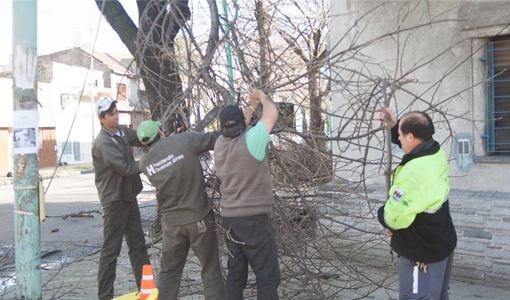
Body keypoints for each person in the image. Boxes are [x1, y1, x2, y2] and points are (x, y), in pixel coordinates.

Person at [136, 115, 225, 300]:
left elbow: (167, 157)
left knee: (169, 272)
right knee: (210, 269)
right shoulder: (184, 140)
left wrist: (176, 141)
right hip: (198, 217)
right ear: (160, 132)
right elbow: (214, 138)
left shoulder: (144, 163)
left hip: (171, 224)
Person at [377, 108, 457, 300]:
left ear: (411, 137)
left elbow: (395, 217)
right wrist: (395, 126)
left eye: (400, 136)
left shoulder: (415, 172)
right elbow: (412, 147)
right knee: (436, 296)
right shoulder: (435, 152)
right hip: (441, 244)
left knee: (416, 296)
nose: (399, 139)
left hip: (421, 255)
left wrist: (383, 215)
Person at [214, 90, 280, 300]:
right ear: (243, 126)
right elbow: (272, 114)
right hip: (254, 222)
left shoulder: (219, 145)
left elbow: (237, 125)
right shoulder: (253, 140)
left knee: (235, 276)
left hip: (231, 221)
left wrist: (251, 107)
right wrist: (262, 98)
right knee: (267, 277)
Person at [92, 97, 150, 300]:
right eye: (111, 114)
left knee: (138, 246)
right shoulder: (103, 142)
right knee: (111, 250)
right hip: (114, 201)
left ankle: (147, 290)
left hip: (128, 196)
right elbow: (126, 168)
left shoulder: (122, 131)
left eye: (116, 112)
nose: (116, 116)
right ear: (101, 118)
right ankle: (105, 295)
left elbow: (141, 137)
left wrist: (156, 133)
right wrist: (149, 162)